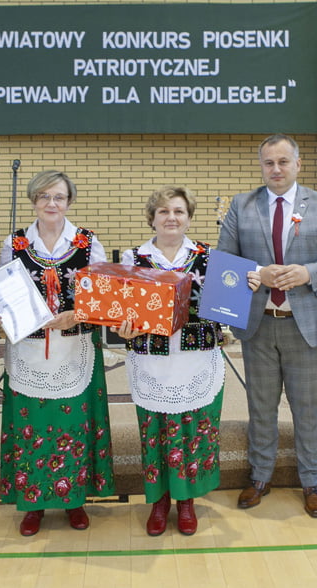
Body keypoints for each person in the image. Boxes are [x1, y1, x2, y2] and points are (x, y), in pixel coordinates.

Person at [216, 134, 317, 515]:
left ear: (298, 164)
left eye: (282, 162)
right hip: (258, 324)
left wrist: (309, 272)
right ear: (261, 166)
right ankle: (260, 476)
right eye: (268, 163)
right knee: (261, 407)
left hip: (304, 325)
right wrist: (257, 272)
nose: (275, 169)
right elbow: (224, 259)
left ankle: (312, 480)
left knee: (307, 409)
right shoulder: (241, 205)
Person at [112, 186, 261, 536]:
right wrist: (123, 329)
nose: (171, 218)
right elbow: (121, 314)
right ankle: (159, 501)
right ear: (152, 218)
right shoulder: (133, 259)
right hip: (151, 362)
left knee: (194, 431)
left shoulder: (211, 258)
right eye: (163, 211)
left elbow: (227, 302)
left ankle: (187, 501)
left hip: (197, 360)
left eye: (179, 211)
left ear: (189, 218)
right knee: (155, 432)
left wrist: (247, 286)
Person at [0, 170, 115, 537]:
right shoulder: (14, 243)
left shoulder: (88, 243)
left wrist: (77, 314)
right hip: (28, 351)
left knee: (73, 426)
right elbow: (4, 294)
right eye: (44, 196)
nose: (51, 203)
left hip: (74, 348)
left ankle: (74, 499)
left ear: (69, 202)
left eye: (59, 197)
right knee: (31, 427)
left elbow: (102, 299)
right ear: (34, 200)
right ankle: (33, 502)